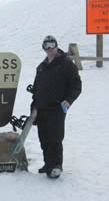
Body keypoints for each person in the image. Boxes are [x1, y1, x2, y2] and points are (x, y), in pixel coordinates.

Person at [30, 35, 82, 179]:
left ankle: (56, 166)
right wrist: (34, 107)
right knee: (44, 138)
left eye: (51, 45)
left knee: (55, 137)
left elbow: (76, 85)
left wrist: (69, 100)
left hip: (57, 108)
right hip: (42, 107)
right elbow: (36, 89)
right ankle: (48, 164)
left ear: (56, 46)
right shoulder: (41, 67)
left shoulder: (66, 64)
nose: (49, 48)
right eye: (46, 45)